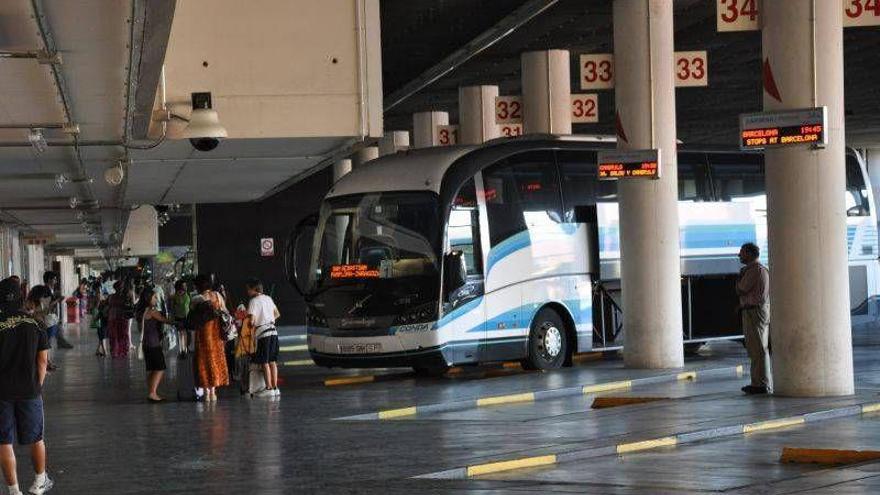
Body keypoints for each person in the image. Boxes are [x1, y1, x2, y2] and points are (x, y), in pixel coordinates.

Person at [0, 278, 53, 495]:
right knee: (36, 438)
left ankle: (14, 491)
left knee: (3, 441)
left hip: (1, 391)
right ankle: (40, 482)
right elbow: (42, 361)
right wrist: (37, 385)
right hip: (29, 390)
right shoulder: (35, 323)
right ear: (21, 296)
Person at [737, 242, 772, 395]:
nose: (739, 255)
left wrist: (738, 279)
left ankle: (761, 384)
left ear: (750, 254)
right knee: (756, 348)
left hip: (754, 311)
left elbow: (741, 289)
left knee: (757, 348)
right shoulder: (759, 269)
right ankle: (758, 382)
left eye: (742, 252)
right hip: (756, 310)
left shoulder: (754, 271)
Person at [191, 275, 229, 402]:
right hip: (216, 335)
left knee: (203, 362)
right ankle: (213, 391)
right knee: (216, 360)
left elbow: (191, 316)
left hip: (202, 336)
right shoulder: (217, 296)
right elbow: (225, 312)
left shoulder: (196, 299)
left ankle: (207, 392)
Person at [244, 279, 281, 398]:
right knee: (272, 361)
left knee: (264, 362)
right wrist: (269, 319)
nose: (247, 291)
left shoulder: (253, 301)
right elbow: (277, 314)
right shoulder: (268, 298)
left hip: (262, 333)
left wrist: (250, 325)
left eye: (248, 289)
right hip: (273, 331)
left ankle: (268, 388)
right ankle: (275, 388)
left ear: (253, 289)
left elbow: (252, 320)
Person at [137, 288, 171, 403]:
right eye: (154, 297)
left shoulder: (141, 311)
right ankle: (152, 393)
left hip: (146, 344)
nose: (156, 299)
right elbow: (165, 320)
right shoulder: (151, 311)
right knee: (160, 367)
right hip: (153, 343)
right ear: (148, 299)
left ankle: (151, 391)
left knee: (152, 369)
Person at [107, 280, 134, 358]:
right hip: (121, 318)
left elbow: (108, 306)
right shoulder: (124, 297)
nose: (122, 288)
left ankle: (115, 352)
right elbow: (130, 306)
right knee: (122, 335)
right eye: (121, 287)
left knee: (115, 335)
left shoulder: (111, 297)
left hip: (113, 318)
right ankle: (121, 351)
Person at [170, 281, 191, 355]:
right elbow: (188, 307)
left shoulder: (174, 296)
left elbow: (172, 308)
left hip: (179, 317)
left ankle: (181, 349)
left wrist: (172, 318)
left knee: (180, 333)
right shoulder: (186, 295)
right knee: (183, 333)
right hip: (185, 317)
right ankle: (184, 349)